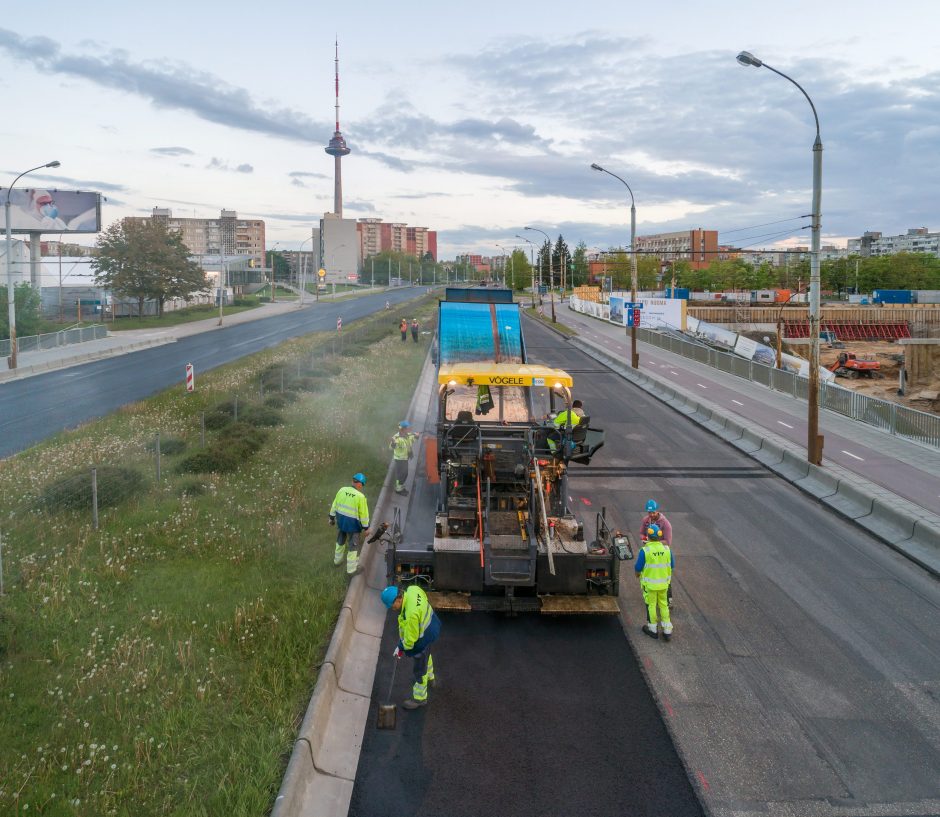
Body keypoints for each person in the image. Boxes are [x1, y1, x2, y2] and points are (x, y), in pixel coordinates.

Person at [382, 583, 441, 709]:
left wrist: (400, 648)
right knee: (427, 656)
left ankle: (420, 698)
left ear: (398, 599)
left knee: (420, 668)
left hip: (424, 635)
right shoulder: (413, 589)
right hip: (432, 624)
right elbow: (424, 599)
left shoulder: (411, 615)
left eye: (392, 605)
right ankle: (431, 679)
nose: (392, 609)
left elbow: (410, 642)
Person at [635, 524, 674, 640]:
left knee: (651, 605)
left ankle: (652, 629)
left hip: (650, 586)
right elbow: (672, 565)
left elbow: (638, 568)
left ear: (648, 536)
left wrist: (637, 575)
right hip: (664, 585)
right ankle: (667, 630)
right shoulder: (667, 549)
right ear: (659, 536)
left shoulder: (645, 551)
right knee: (663, 605)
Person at [329, 473, 370, 576]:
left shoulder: (342, 490)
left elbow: (334, 505)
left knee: (340, 541)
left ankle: (337, 562)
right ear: (360, 484)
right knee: (353, 546)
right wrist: (366, 528)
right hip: (353, 526)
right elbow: (364, 515)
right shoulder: (361, 497)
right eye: (362, 485)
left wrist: (331, 518)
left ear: (353, 481)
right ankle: (351, 570)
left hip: (341, 522)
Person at [640, 499, 674, 607]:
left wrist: (653, 541)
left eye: (653, 512)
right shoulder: (646, 520)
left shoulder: (666, 524)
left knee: (663, 576)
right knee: (650, 575)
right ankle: (651, 597)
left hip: (661, 552)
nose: (651, 515)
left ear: (657, 511)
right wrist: (644, 538)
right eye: (649, 512)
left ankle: (668, 600)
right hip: (650, 552)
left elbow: (668, 542)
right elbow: (641, 533)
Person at [390, 421, 419, 495]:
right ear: (403, 429)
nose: (409, 429)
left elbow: (412, 440)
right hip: (400, 460)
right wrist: (393, 443)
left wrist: (416, 436)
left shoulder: (407, 435)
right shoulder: (397, 438)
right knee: (402, 474)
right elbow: (391, 447)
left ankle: (400, 487)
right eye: (408, 428)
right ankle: (398, 490)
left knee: (404, 474)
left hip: (404, 458)